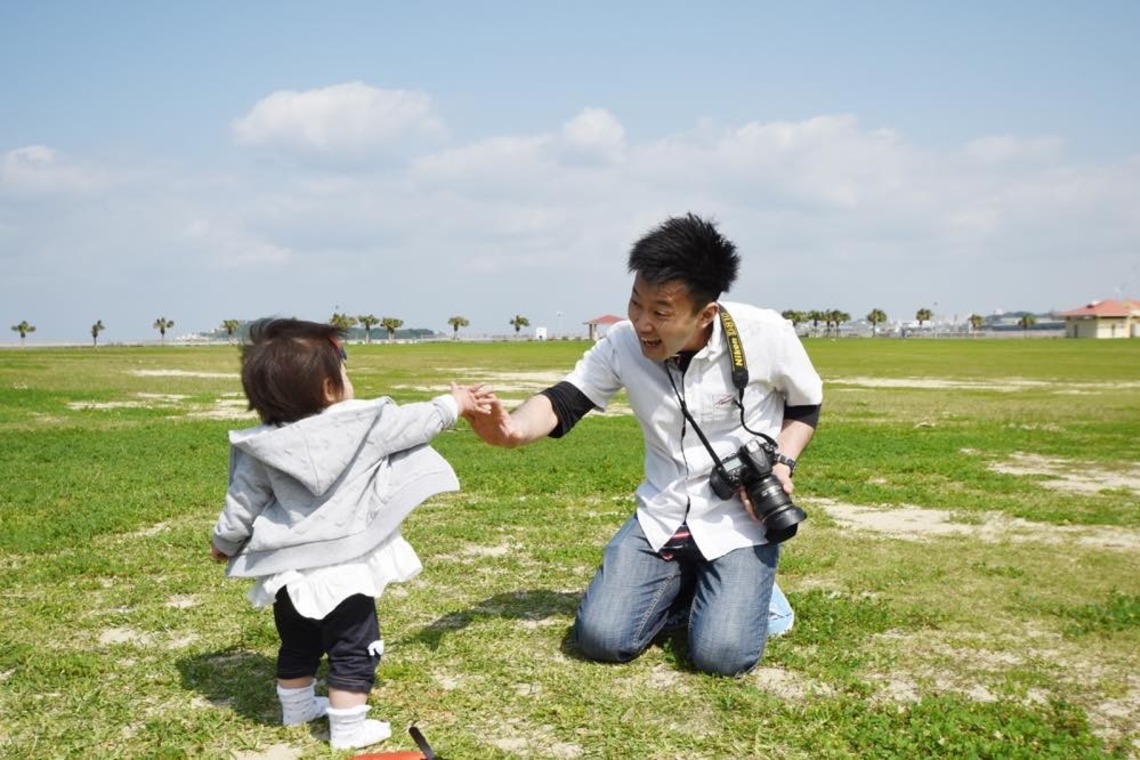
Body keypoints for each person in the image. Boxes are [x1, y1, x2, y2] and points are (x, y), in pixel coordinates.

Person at [465, 213, 823, 676]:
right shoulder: (622, 343)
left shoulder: (765, 334)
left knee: (722, 656)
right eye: (636, 303)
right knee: (602, 638)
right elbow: (564, 400)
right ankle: (693, 585)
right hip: (663, 512)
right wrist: (510, 430)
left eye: (661, 312)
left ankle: (746, 588)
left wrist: (782, 464)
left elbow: (805, 405)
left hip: (739, 518)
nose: (641, 323)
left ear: (706, 313)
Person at [210, 318, 491, 750]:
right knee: (354, 649)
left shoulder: (264, 446)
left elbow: (241, 505)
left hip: (289, 572)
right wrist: (456, 402)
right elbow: (420, 421)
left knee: (297, 642)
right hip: (346, 570)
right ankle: (348, 728)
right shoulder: (365, 425)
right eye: (343, 371)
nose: (348, 377)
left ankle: (297, 709)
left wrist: (223, 544)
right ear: (328, 388)